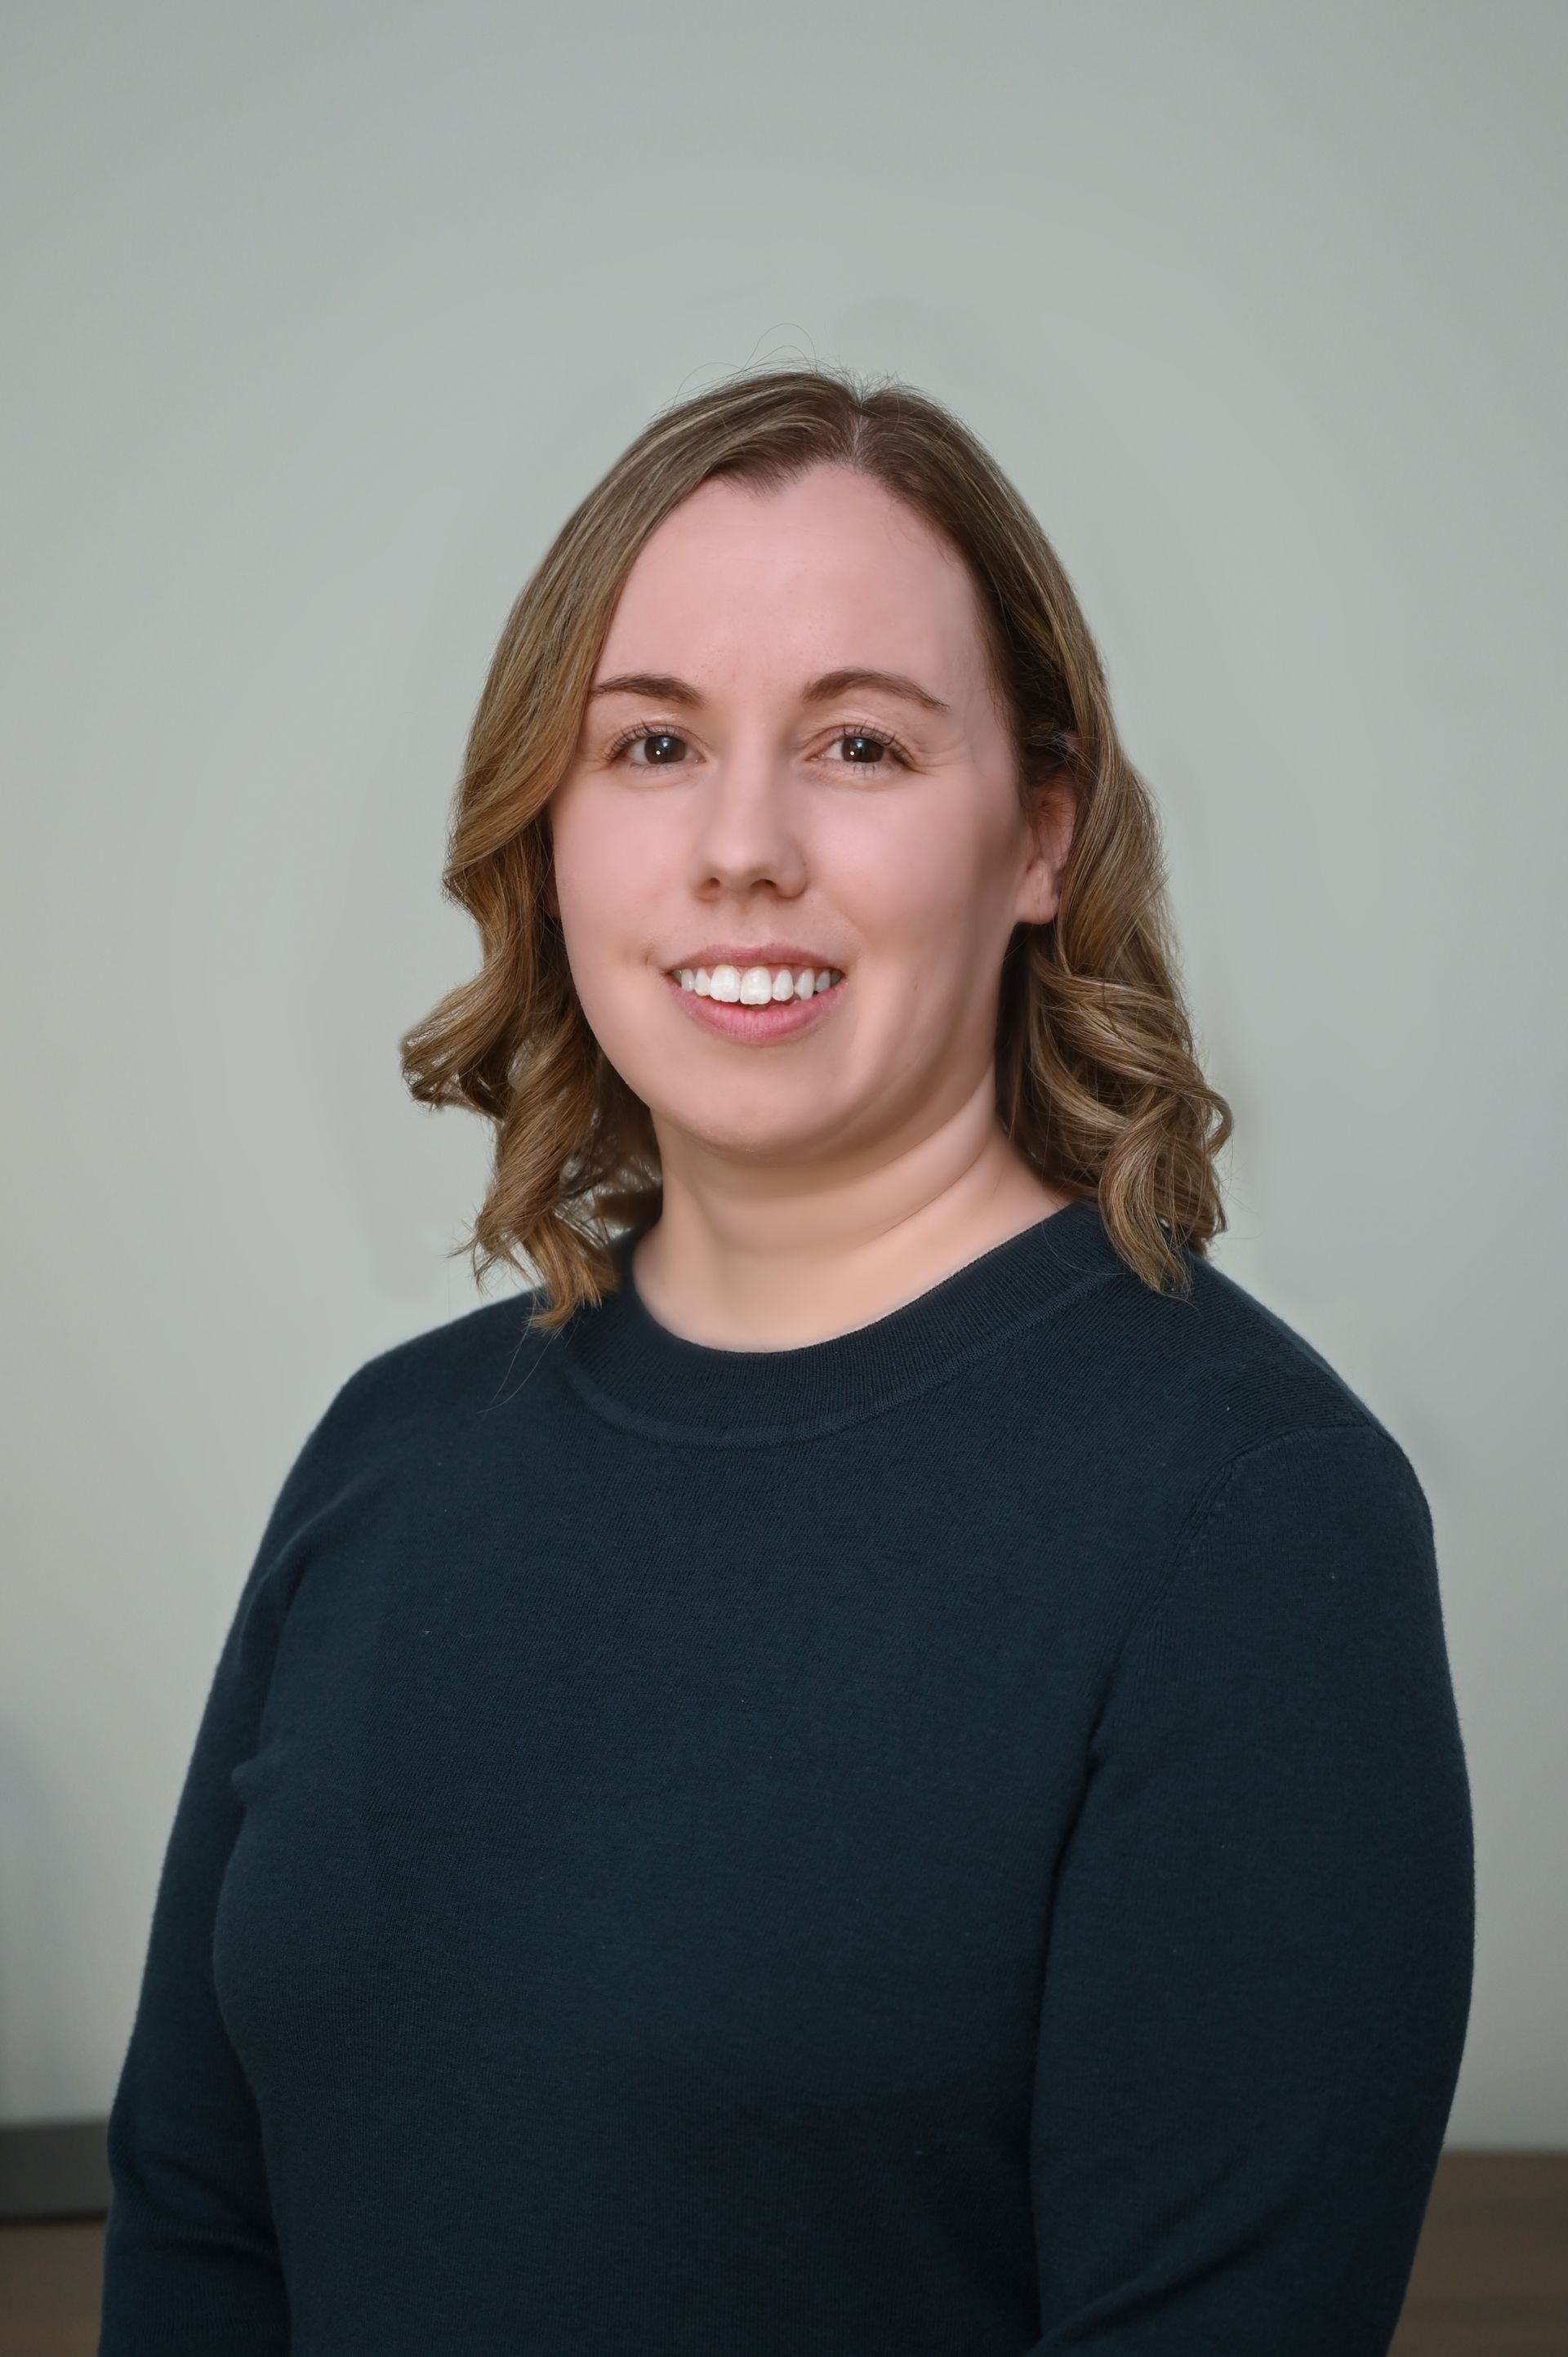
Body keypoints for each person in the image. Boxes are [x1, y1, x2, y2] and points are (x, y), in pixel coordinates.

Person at [98, 364, 1474, 2356]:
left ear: (1040, 836)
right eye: (653, 743)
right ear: (551, 827)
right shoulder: (387, 1455)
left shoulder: (1254, 1519)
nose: (742, 845)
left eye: (859, 744)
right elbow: (197, 2217)